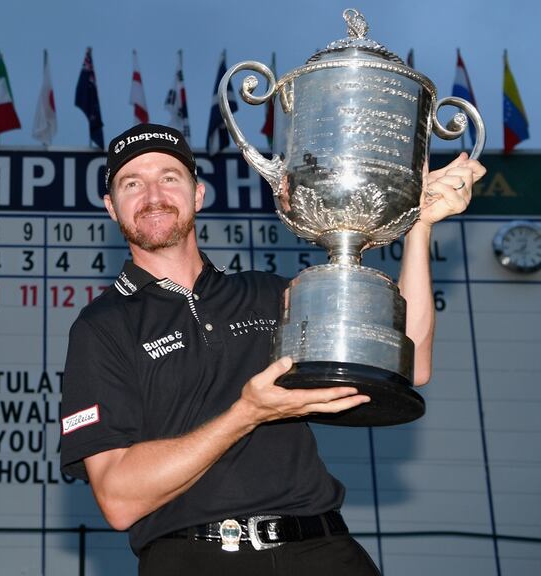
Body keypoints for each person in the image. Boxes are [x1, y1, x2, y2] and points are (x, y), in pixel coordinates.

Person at [58, 122, 485, 575]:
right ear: (111, 207)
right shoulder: (102, 327)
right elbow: (118, 500)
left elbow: (409, 361)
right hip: (195, 559)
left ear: (198, 195)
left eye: (169, 177)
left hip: (322, 549)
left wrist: (419, 228)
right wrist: (247, 413)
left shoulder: (270, 294)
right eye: (131, 183)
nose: (153, 195)